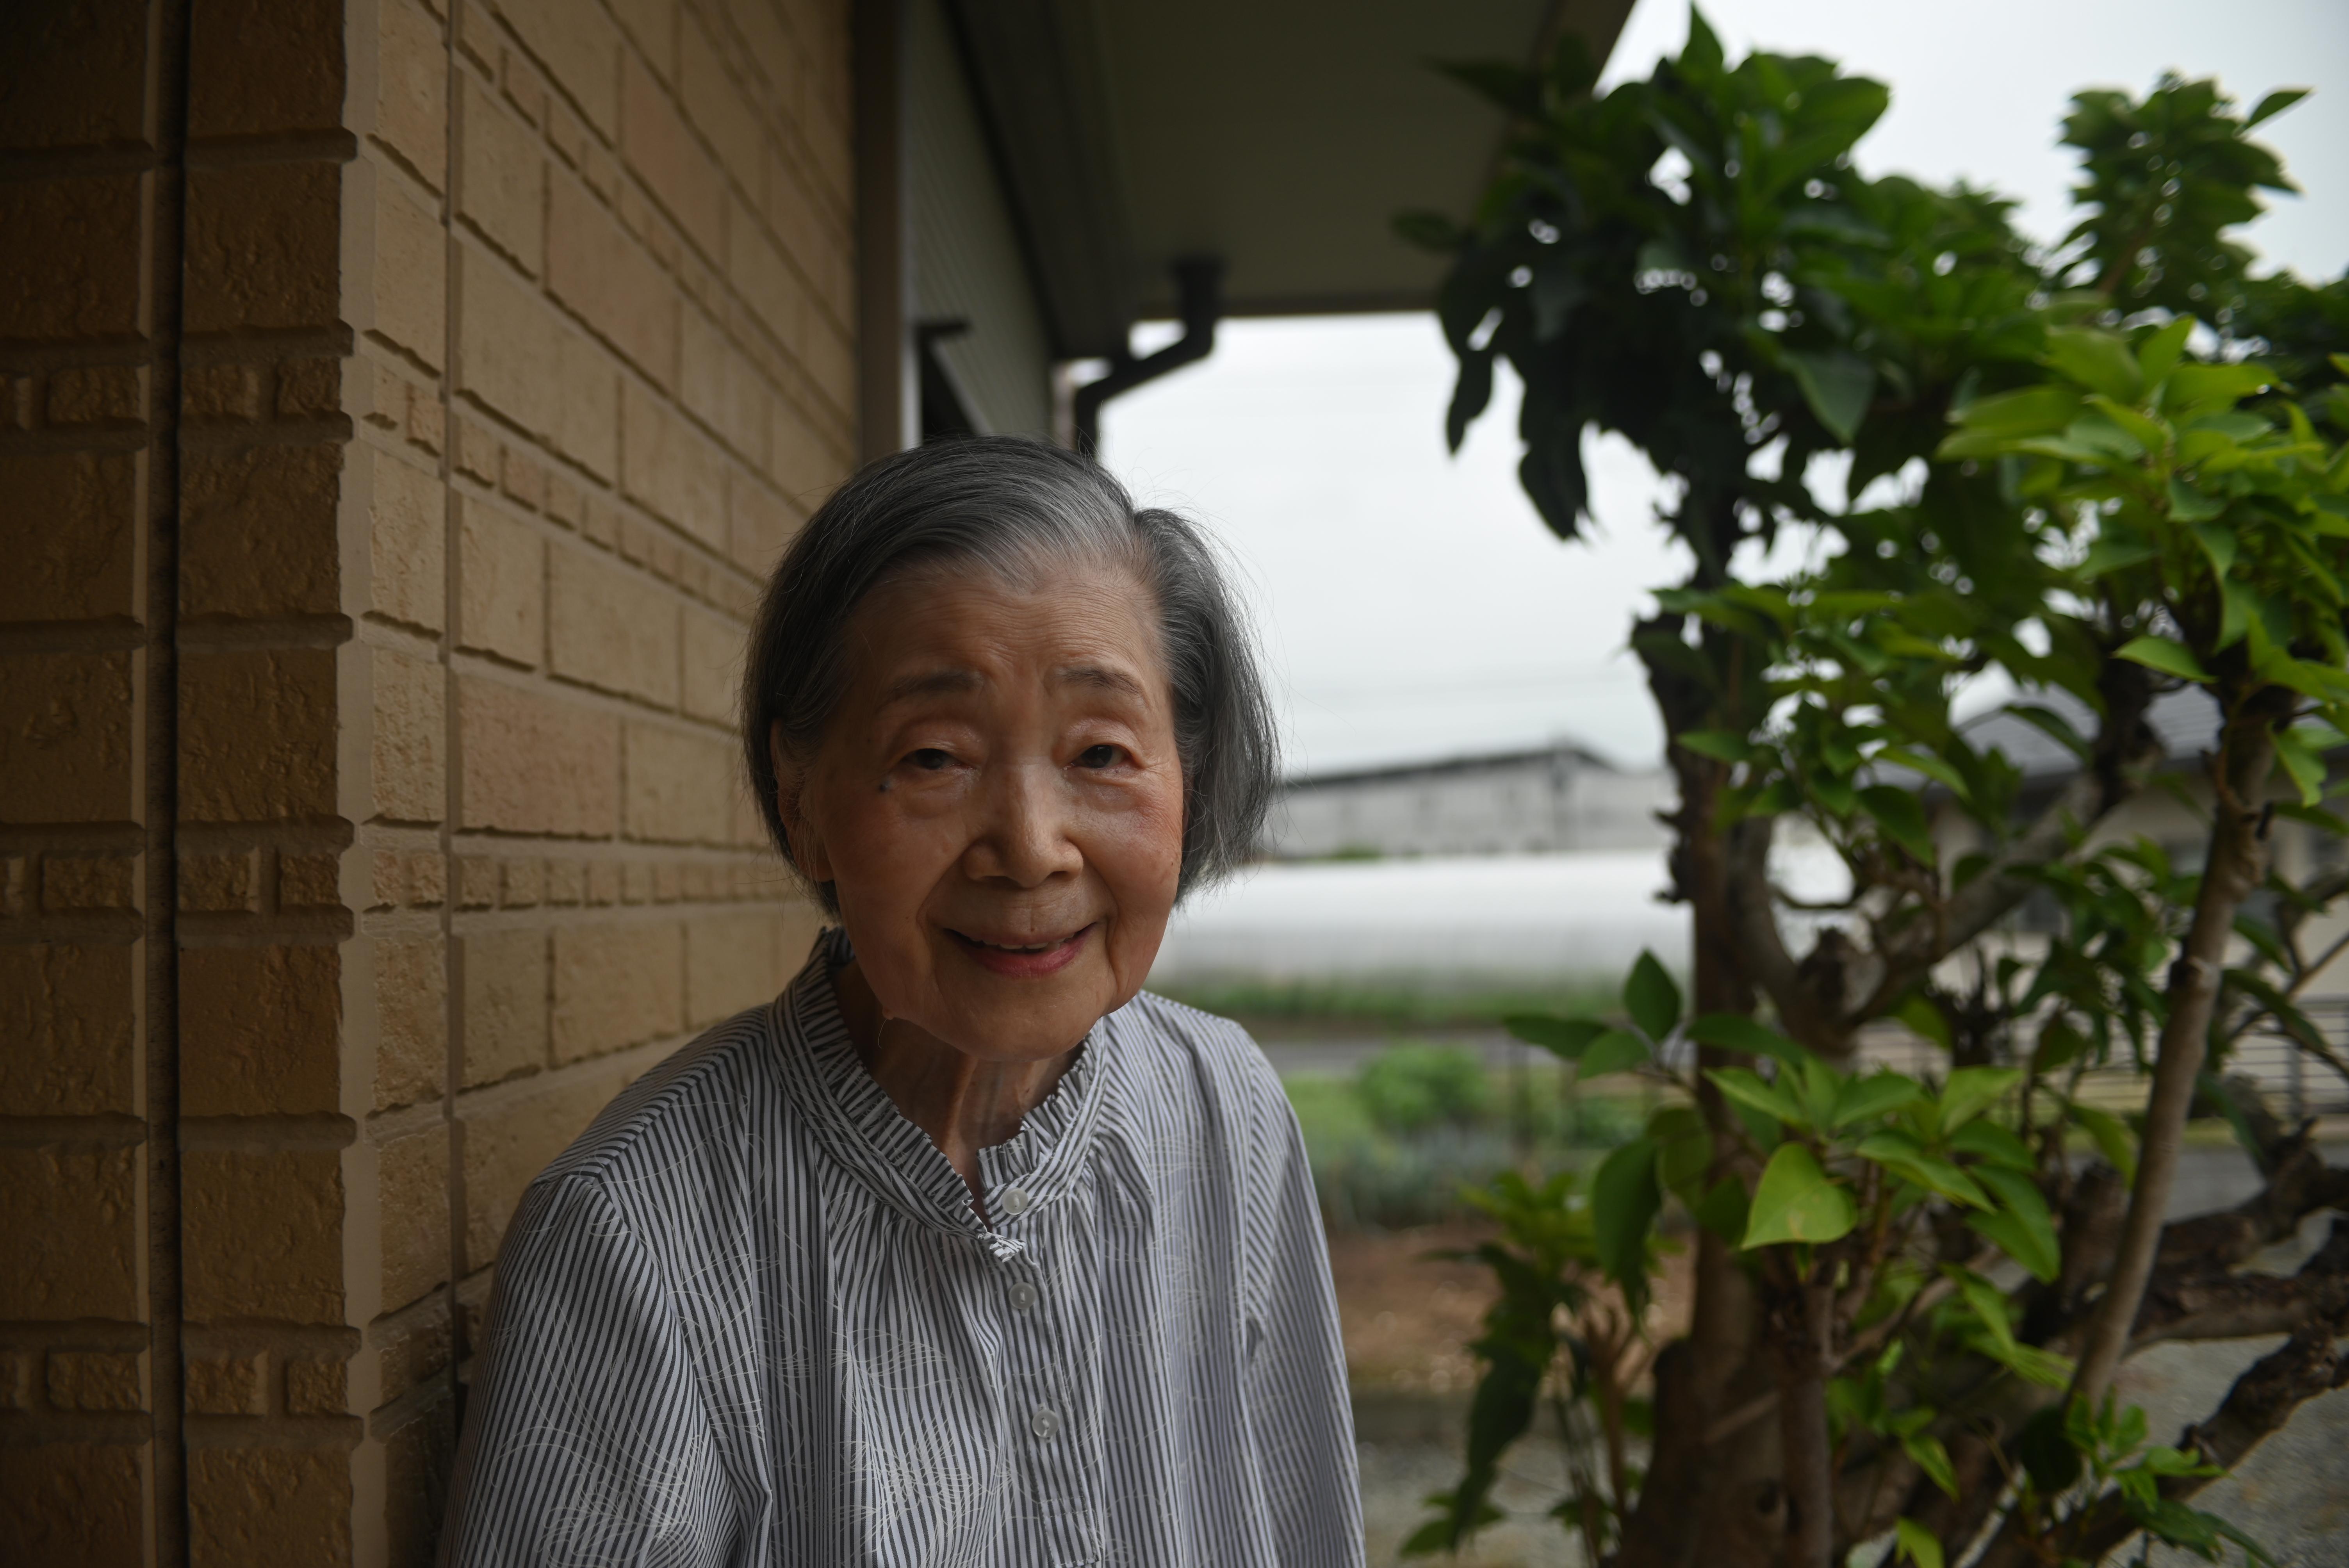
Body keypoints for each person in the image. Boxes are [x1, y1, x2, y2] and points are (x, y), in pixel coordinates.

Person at [438, 437, 1362, 1565]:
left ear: (1191, 781)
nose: (1031, 848)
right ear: (803, 801)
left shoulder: (1229, 1110)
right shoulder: (633, 1237)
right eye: (934, 757)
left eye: (1102, 752)